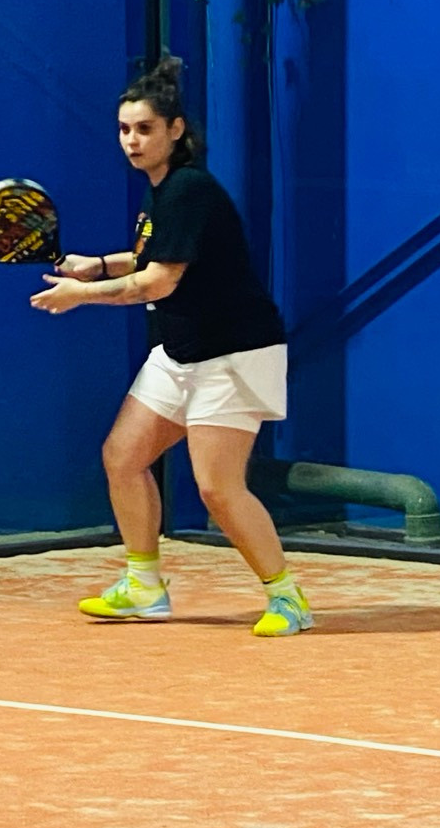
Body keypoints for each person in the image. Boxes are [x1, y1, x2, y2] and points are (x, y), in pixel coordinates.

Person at [29, 58, 312, 637]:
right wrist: (96, 265)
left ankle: (288, 598)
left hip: (232, 353)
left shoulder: (189, 189)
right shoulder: (161, 193)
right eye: (124, 129)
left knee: (217, 488)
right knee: (123, 457)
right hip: (180, 350)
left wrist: (81, 297)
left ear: (176, 130)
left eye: (145, 129)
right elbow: (150, 257)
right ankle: (144, 587)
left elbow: (157, 282)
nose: (132, 141)